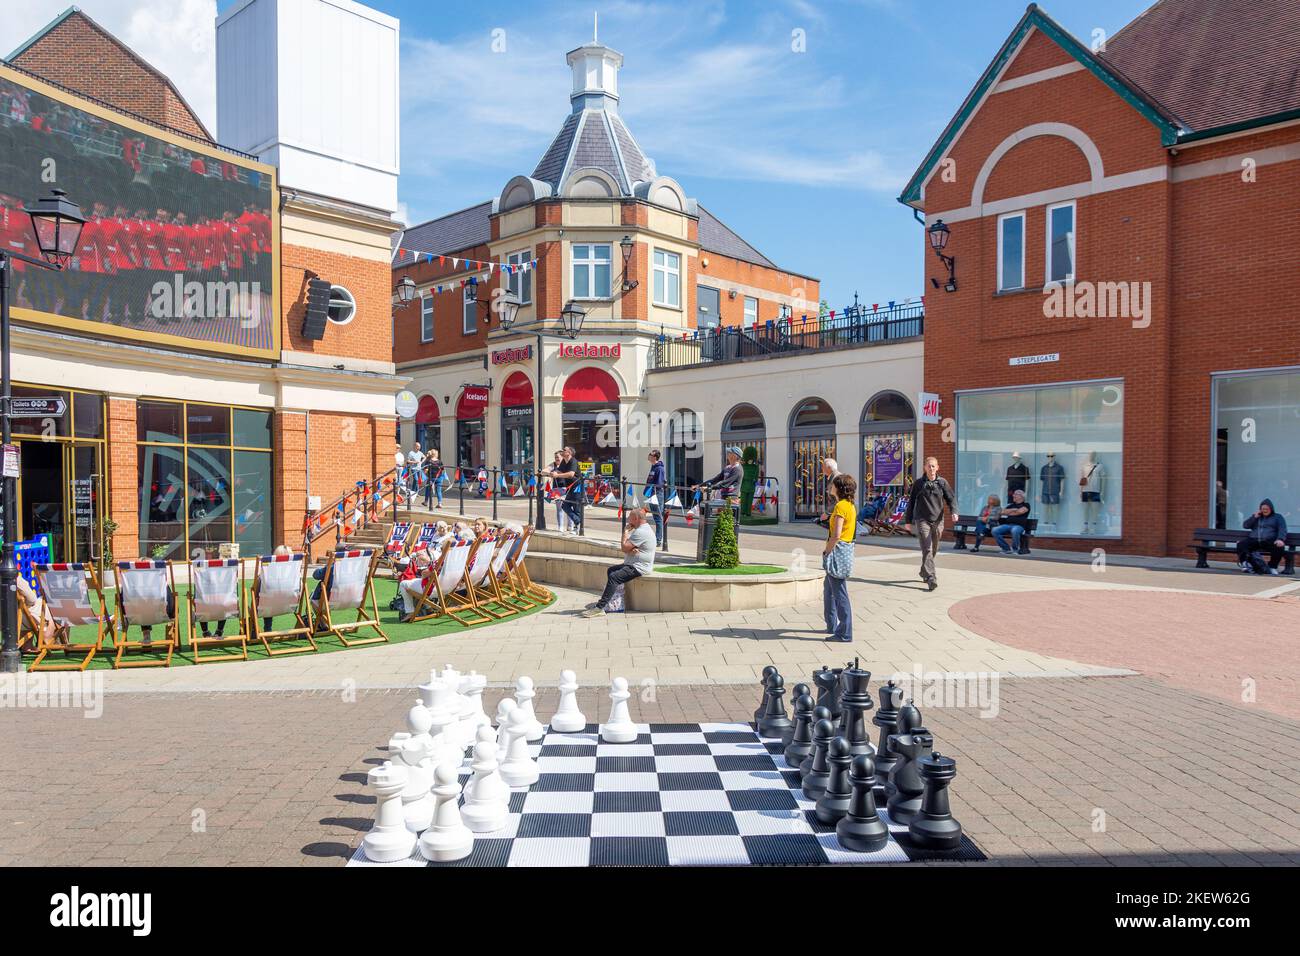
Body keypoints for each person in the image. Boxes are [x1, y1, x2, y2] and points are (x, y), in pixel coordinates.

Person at [580, 507, 657, 618]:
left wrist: (625, 532)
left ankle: (599, 608)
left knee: (614, 577)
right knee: (611, 570)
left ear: (635, 518)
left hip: (639, 567)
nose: (629, 521)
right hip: (634, 563)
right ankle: (613, 602)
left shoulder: (641, 532)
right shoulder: (644, 529)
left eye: (630, 518)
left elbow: (624, 548)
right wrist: (631, 548)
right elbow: (630, 547)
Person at [904, 456, 957, 591]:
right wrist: (908, 521)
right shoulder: (918, 483)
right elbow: (911, 503)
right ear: (925, 468)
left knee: (934, 548)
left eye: (933, 466)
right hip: (922, 519)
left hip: (938, 520)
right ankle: (931, 578)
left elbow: (951, 498)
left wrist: (954, 511)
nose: (931, 468)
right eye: (929, 466)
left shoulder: (942, 483)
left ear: (937, 467)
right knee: (927, 547)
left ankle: (924, 570)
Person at [822, 473, 857, 643]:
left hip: (837, 551)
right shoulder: (849, 505)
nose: (831, 487)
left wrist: (827, 551)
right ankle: (831, 625)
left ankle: (844, 632)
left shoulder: (841, 507)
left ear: (839, 488)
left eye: (833, 484)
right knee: (829, 589)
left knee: (839, 592)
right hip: (845, 550)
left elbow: (836, 535)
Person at [1237, 498, 1288, 574]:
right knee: (1241, 544)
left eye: (1267, 509)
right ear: (1260, 509)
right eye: (1263, 509)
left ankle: (1272, 567)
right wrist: (1254, 517)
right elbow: (1245, 525)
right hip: (1254, 540)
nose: (1265, 510)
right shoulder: (1257, 517)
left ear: (1271, 509)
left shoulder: (1278, 517)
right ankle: (1245, 564)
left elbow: (1282, 528)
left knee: (1279, 547)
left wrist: (1280, 539)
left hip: (1269, 541)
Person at [992, 489, 1032, 554]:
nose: (1013, 495)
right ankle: (1006, 548)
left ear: (1021, 496)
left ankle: (1015, 550)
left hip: (1019, 526)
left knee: (1015, 530)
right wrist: (1014, 509)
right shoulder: (1011, 505)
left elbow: (1020, 511)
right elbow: (1001, 512)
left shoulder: (1026, 505)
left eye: (1015, 494)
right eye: (1014, 494)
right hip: (1008, 525)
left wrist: (1009, 512)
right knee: (994, 530)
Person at [553, 447, 583, 533]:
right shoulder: (564, 461)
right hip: (570, 487)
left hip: (577, 486)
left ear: (569, 452)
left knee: (576, 507)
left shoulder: (573, 461)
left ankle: (577, 528)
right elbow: (559, 471)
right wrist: (552, 473)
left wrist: (557, 475)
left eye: (564, 450)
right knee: (565, 506)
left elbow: (571, 474)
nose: (562, 451)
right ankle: (578, 522)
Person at [644, 449, 666, 546]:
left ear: (655, 457)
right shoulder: (653, 467)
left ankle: (659, 540)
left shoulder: (659, 468)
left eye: (650, 454)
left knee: (658, 517)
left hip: (656, 494)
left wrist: (653, 493)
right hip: (652, 494)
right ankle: (657, 539)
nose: (648, 456)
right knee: (655, 516)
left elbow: (659, 483)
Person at [815, 458, 841, 527]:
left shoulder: (835, 478)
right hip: (836, 512)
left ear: (828, 468)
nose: (822, 469)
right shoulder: (835, 477)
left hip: (837, 513)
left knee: (835, 535)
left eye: (823, 467)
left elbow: (837, 499)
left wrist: (827, 513)